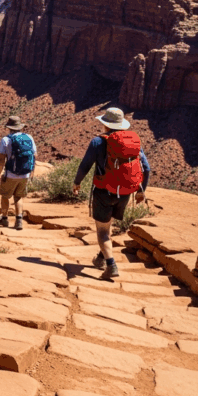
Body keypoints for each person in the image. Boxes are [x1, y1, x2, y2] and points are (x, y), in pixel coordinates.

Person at [72, 107, 151, 280]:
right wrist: (140, 191)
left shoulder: (98, 142)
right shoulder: (132, 142)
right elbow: (146, 168)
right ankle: (101, 258)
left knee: (102, 231)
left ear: (106, 125)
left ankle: (111, 265)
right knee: (109, 225)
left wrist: (77, 183)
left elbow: (85, 165)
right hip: (124, 192)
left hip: (103, 192)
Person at [0, 116, 37, 231]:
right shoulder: (29, 137)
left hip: (11, 174)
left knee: (5, 196)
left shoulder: (6, 140)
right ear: (20, 127)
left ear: (9, 128)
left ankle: (4, 218)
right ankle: (19, 221)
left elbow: (2, 159)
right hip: (25, 174)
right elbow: (34, 155)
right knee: (18, 197)